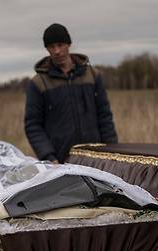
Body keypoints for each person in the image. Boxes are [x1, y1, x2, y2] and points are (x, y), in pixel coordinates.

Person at [24, 23, 118, 163]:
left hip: (97, 157)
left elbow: (104, 115)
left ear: (69, 44)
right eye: (51, 47)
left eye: (60, 45)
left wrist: (113, 151)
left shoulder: (92, 75)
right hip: (60, 161)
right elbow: (33, 125)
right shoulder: (38, 83)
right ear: (47, 49)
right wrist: (48, 157)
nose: (56, 51)